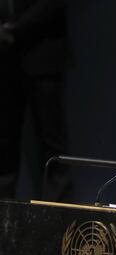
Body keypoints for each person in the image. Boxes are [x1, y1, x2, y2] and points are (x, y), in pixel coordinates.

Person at [0, 0, 69, 200]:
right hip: (5, 60)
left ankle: (58, 213)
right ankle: (5, 213)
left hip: (42, 50)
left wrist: (14, 30)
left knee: (51, 139)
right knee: (4, 140)